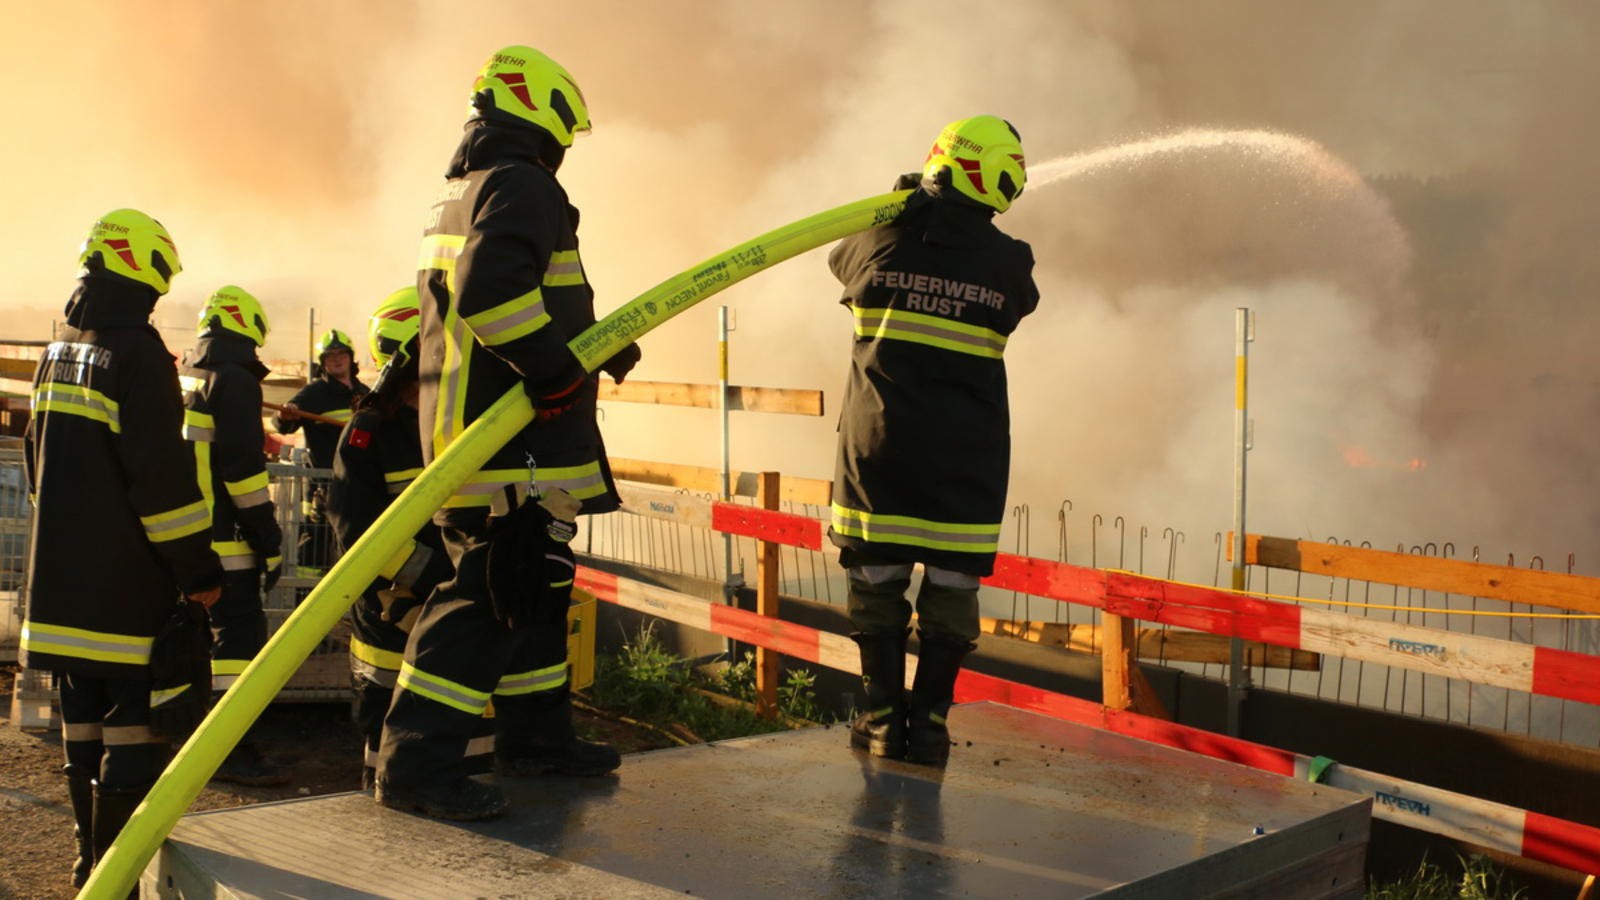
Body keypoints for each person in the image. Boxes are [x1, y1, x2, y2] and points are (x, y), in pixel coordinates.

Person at [375, 44, 640, 821]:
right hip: (509, 449)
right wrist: (557, 374)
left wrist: (589, 339)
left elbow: (501, 298)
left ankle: (535, 738)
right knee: (485, 602)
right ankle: (415, 768)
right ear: (543, 118)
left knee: (531, 593)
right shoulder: (524, 183)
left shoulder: (460, 191)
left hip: (469, 433)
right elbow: (493, 296)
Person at [21, 209, 224, 890]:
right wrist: (198, 572)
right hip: (125, 594)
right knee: (135, 732)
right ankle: (116, 874)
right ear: (142, 269)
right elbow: (161, 485)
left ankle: (89, 862)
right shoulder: (138, 355)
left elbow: (34, 465)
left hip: (59, 590)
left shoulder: (57, 354)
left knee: (81, 727)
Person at [828, 116, 1039, 766]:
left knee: (876, 580)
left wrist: (899, 200)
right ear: (1000, 178)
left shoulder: (877, 237)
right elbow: (1021, 300)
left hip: (880, 449)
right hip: (963, 461)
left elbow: (840, 257)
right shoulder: (1009, 261)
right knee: (952, 589)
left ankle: (883, 722)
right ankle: (931, 729)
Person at [327, 288, 454, 789]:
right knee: (386, 741)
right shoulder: (367, 433)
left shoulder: (450, 422)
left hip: (446, 612)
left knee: (460, 736)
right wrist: (433, 574)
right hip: (389, 617)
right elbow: (357, 532)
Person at [180, 286, 291, 785]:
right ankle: (231, 752)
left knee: (194, 642)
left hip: (184, 537)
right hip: (227, 543)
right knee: (239, 641)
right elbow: (243, 470)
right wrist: (267, 535)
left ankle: (192, 739)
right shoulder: (235, 379)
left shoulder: (190, 375)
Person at [272, 328, 370, 574]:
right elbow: (283, 423)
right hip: (323, 490)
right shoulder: (314, 394)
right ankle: (306, 601)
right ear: (322, 363)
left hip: (360, 485)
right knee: (314, 549)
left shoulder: (365, 394)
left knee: (357, 546)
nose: (337, 359)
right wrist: (285, 414)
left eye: (341, 354)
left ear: (350, 357)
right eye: (330, 356)